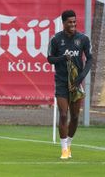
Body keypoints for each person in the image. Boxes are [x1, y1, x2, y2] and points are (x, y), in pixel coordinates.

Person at [47, 10, 92, 159]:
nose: (73, 24)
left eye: (74, 21)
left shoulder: (83, 39)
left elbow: (90, 59)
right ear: (64, 23)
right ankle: (64, 149)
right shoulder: (55, 39)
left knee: (74, 117)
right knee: (64, 114)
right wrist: (62, 58)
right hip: (61, 82)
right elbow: (50, 58)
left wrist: (80, 77)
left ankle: (70, 143)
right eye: (69, 22)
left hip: (76, 82)